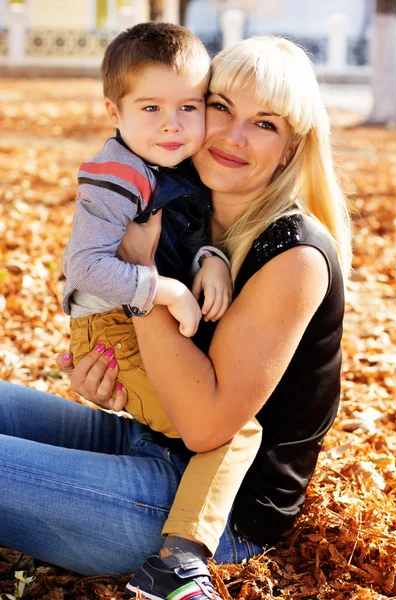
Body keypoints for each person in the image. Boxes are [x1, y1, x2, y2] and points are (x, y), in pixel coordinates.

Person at [0, 34, 351, 600]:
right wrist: (112, 378)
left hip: (208, 516)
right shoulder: (186, 201)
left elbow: (210, 428)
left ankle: (176, 575)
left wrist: (144, 280)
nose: (234, 136)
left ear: (290, 147)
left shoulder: (296, 255)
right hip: (150, 441)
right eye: (220, 108)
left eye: (264, 124)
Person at [62, 20, 263, 591]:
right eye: (150, 107)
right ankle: (177, 563)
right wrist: (168, 288)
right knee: (232, 430)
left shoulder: (174, 166)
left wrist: (209, 259)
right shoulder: (116, 175)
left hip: (131, 322)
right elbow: (85, 265)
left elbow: (177, 233)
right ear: (114, 110)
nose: (172, 124)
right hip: (112, 330)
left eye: (189, 107)